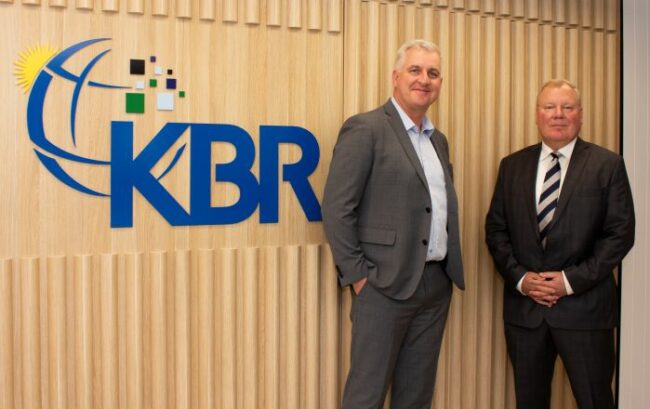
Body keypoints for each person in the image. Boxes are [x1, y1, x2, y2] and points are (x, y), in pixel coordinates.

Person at [322, 39, 465, 409]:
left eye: (433, 73)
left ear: (440, 83)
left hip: (435, 285)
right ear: (396, 77)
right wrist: (359, 277)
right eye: (415, 70)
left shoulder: (438, 141)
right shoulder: (366, 128)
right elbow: (337, 208)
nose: (424, 79)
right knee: (366, 396)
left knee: (416, 397)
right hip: (383, 286)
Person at [485, 79, 635, 409]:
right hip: (526, 313)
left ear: (580, 115)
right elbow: (496, 231)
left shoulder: (607, 165)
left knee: (595, 401)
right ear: (537, 114)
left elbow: (620, 234)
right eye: (550, 107)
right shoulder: (512, 166)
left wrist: (568, 282)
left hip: (586, 311)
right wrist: (522, 279)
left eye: (567, 107)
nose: (558, 114)